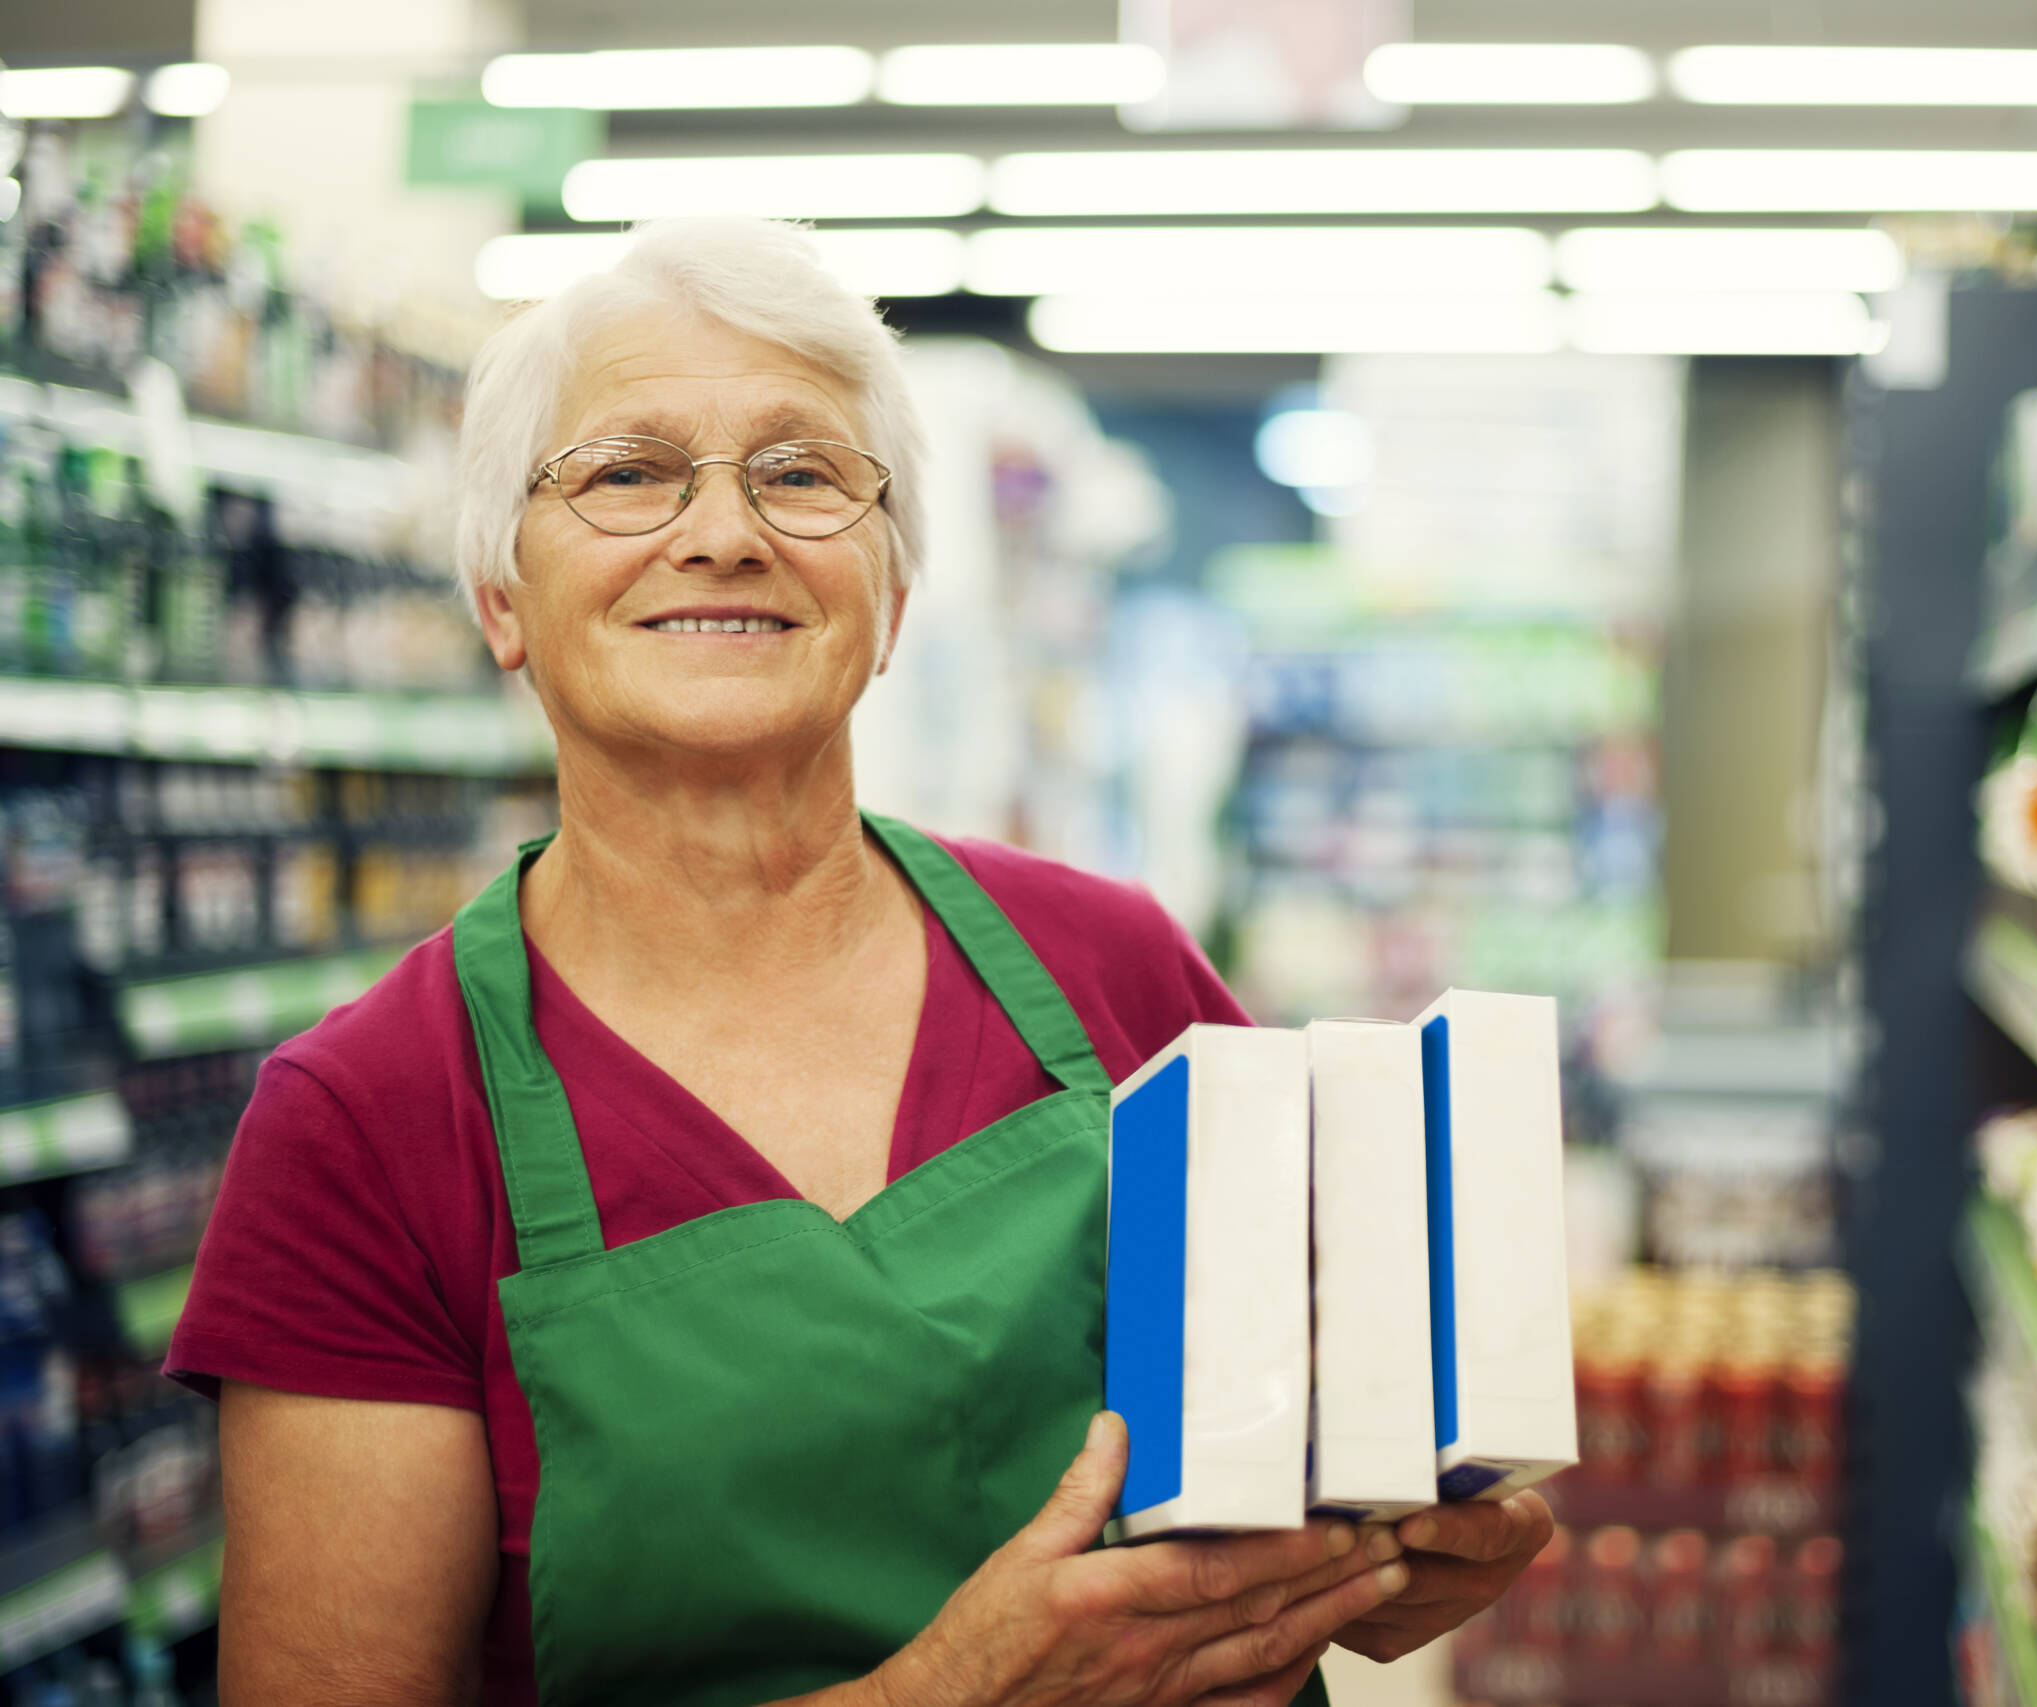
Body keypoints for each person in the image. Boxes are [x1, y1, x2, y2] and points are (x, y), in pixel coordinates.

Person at [167, 218, 1553, 1707]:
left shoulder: (1119, 973)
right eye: (627, 472)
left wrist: (1408, 1544)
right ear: (501, 596)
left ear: (891, 597)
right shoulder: (370, 1122)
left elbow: (1343, 1443)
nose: (725, 532)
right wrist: (950, 1693)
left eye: (803, 473)